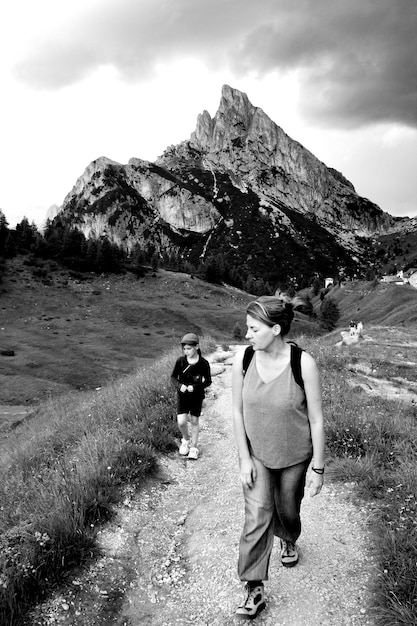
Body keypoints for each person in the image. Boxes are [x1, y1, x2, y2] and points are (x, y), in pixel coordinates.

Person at [232, 293, 325, 620]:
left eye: (253, 329)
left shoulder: (303, 363)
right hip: (257, 454)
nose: (247, 335)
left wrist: (318, 466)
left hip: (295, 456)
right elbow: (236, 410)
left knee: (287, 507)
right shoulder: (243, 360)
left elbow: (315, 418)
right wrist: (244, 458)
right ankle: (253, 589)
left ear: (274, 329)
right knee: (257, 516)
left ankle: (288, 537)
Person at [171, 333, 212, 460]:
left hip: (197, 396)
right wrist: (179, 386)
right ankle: (185, 440)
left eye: (189, 348)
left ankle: (194, 448)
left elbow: (208, 381)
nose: (186, 351)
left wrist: (196, 387)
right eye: (184, 349)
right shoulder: (181, 361)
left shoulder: (203, 363)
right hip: (182, 396)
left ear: (197, 347)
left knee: (194, 421)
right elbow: (173, 378)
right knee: (182, 421)